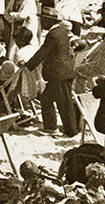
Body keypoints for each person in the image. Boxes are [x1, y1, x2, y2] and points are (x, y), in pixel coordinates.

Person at [24, 7, 78, 137]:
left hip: (59, 74)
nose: (42, 22)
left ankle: (71, 130)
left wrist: (28, 66)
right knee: (47, 99)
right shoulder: (61, 31)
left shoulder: (53, 34)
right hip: (62, 72)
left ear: (49, 20)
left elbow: (43, 52)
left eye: (43, 19)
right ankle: (51, 127)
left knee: (64, 103)